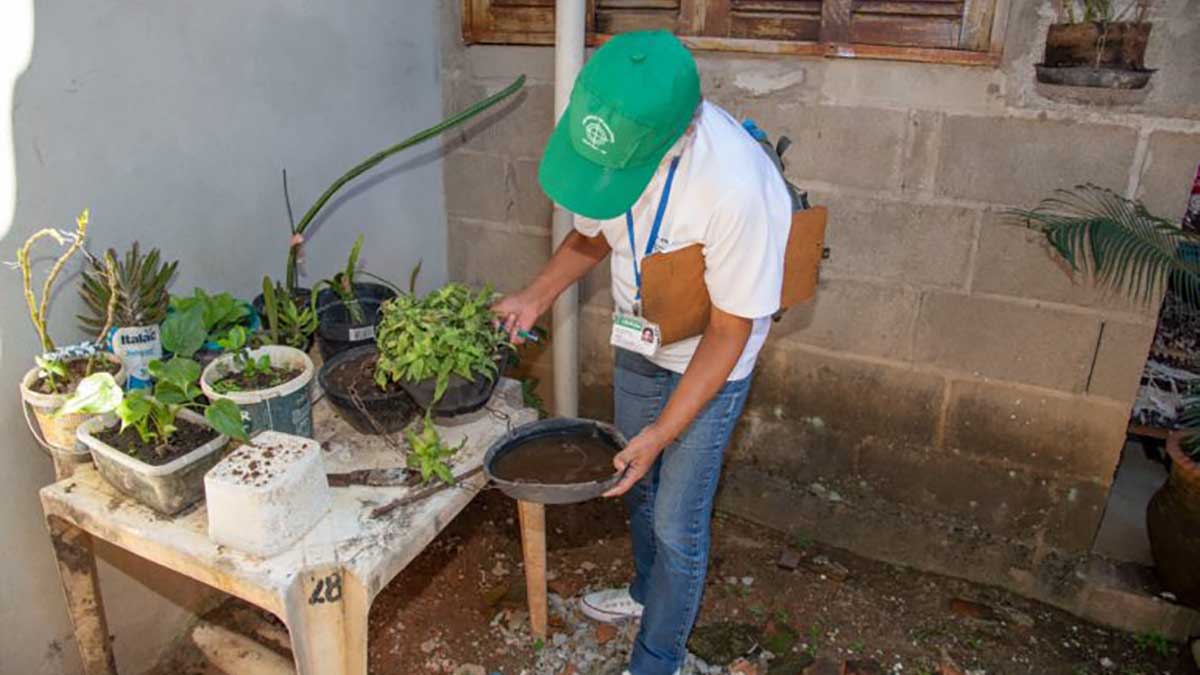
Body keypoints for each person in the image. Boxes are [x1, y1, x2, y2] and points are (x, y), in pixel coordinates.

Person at [492, 30, 791, 675]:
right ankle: (642, 595)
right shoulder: (616, 144)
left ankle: (658, 657)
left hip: (710, 362)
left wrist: (661, 431)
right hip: (640, 332)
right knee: (632, 482)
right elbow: (593, 237)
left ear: (676, 137)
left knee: (678, 524)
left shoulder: (735, 188)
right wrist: (534, 297)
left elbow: (729, 332)